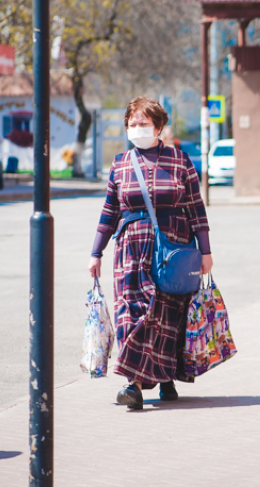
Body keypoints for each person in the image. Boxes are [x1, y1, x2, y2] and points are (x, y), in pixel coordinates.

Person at [88, 97, 213, 411]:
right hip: (131, 249)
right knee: (132, 314)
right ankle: (132, 385)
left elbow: (196, 209)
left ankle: (166, 377)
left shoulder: (180, 161)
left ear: (159, 127)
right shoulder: (120, 164)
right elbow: (109, 212)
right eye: (132, 124)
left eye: (143, 124)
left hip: (174, 249)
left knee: (167, 314)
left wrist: (205, 251)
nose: (137, 129)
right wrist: (96, 252)